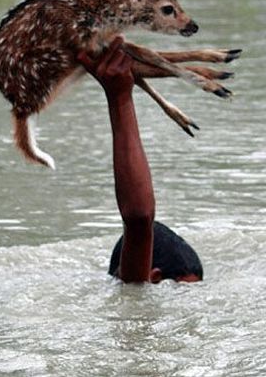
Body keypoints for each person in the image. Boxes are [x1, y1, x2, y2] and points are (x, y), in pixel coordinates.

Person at [77, 37, 203, 284]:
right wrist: (120, 97)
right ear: (154, 277)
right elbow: (139, 219)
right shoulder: (136, 288)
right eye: (183, 291)